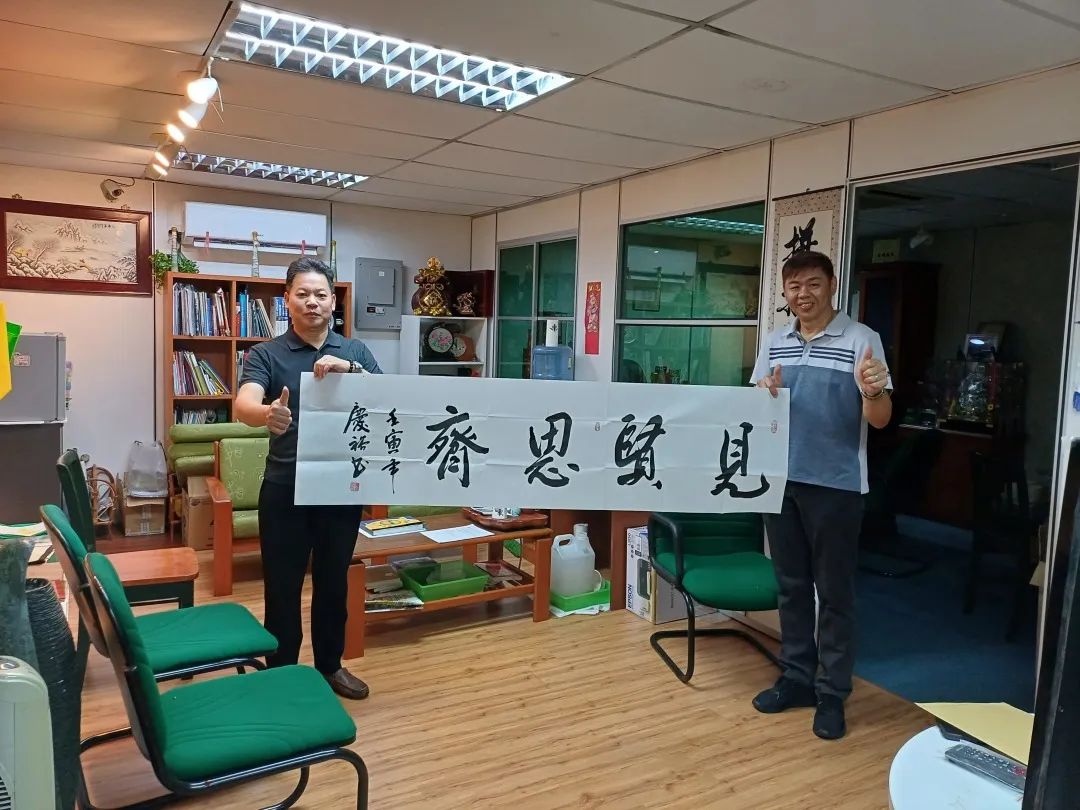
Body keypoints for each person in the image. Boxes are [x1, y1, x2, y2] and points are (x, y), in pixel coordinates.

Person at [749, 250, 892, 740]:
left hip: (836, 485)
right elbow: (756, 409)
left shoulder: (861, 339)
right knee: (790, 585)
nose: (803, 294)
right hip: (781, 481)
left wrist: (873, 390)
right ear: (784, 292)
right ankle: (796, 678)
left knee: (834, 592)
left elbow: (880, 419)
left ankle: (832, 692)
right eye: (794, 286)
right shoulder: (776, 341)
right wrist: (763, 393)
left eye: (813, 284)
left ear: (832, 285)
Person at [235, 257, 382, 700]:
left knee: (333, 583)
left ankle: (330, 667)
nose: (312, 302)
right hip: (285, 489)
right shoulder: (266, 354)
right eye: (302, 294)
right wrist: (267, 414)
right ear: (287, 300)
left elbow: (386, 398)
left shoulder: (355, 350)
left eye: (320, 294)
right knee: (282, 586)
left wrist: (349, 370)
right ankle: (282, 672)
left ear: (333, 300)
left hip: (339, 487)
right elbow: (244, 404)